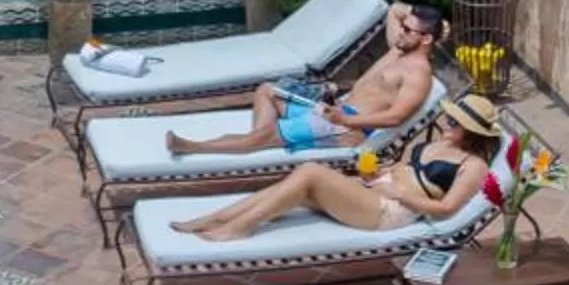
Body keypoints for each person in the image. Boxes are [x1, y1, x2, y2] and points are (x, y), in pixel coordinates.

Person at [170, 93, 502, 241]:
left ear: (472, 132)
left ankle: (238, 229)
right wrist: (376, 173)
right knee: (294, 187)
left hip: (391, 211)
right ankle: (219, 218)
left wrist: (397, 191)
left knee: (311, 172)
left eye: (455, 123)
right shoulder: (442, 143)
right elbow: (401, 166)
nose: (447, 123)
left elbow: (444, 209)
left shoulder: (472, 166)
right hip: (375, 191)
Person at [165, 1, 440, 158]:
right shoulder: (399, 49)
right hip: (334, 111)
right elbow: (394, 9)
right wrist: (435, 24)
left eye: (408, 29)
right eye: (403, 28)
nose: (401, 31)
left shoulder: (417, 74)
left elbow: (394, 118)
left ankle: (190, 147)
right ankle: (257, 141)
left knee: (265, 134)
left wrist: (345, 120)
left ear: (425, 39)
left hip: (346, 128)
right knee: (266, 91)